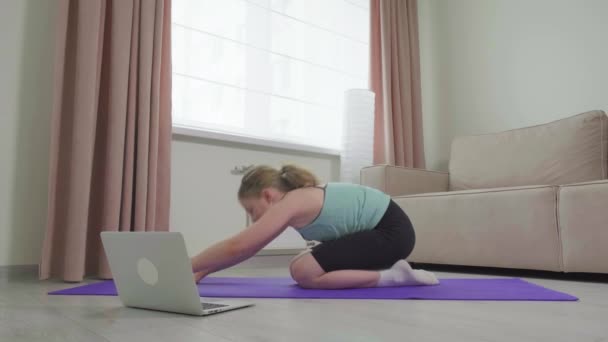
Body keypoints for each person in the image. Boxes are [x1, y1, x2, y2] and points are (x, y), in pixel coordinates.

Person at [191, 165, 439, 289]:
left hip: (391, 233)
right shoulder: (295, 200)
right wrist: (205, 270)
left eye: (252, 211)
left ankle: (393, 277)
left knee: (303, 271)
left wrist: (187, 265)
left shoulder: (292, 201)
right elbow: (246, 249)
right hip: (389, 232)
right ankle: (392, 272)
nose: (254, 220)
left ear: (267, 195)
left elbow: (240, 245)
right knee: (303, 264)